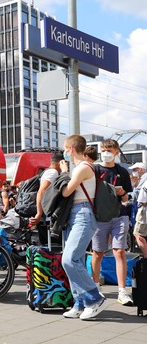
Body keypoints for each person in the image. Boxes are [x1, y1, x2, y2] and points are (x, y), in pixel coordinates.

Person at [60, 134, 108, 320]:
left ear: (71, 148)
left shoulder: (83, 168)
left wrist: (64, 173)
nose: (64, 152)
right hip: (76, 215)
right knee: (76, 260)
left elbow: (66, 191)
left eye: (65, 148)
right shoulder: (79, 168)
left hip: (83, 215)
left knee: (69, 259)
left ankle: (95, 298)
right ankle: (79, 303)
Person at [90, 139, 133, 307]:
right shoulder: (94, 169)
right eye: (103, 149)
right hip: (100, 216)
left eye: (109, 150)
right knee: (98, 253)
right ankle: (95, 287)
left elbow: (127, 198)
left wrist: (122, 193)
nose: (105, 152)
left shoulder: (121, 171)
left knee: (119, 251)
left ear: (116, 152)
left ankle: (122, 291)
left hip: (119, 215)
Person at [30, 151, 64, 244]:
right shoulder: (53, 173)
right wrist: (39, 213)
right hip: (47, 220)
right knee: (52, 249)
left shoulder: (48, 172)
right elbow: (41, 191)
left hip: (46, 219)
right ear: (59, 163)